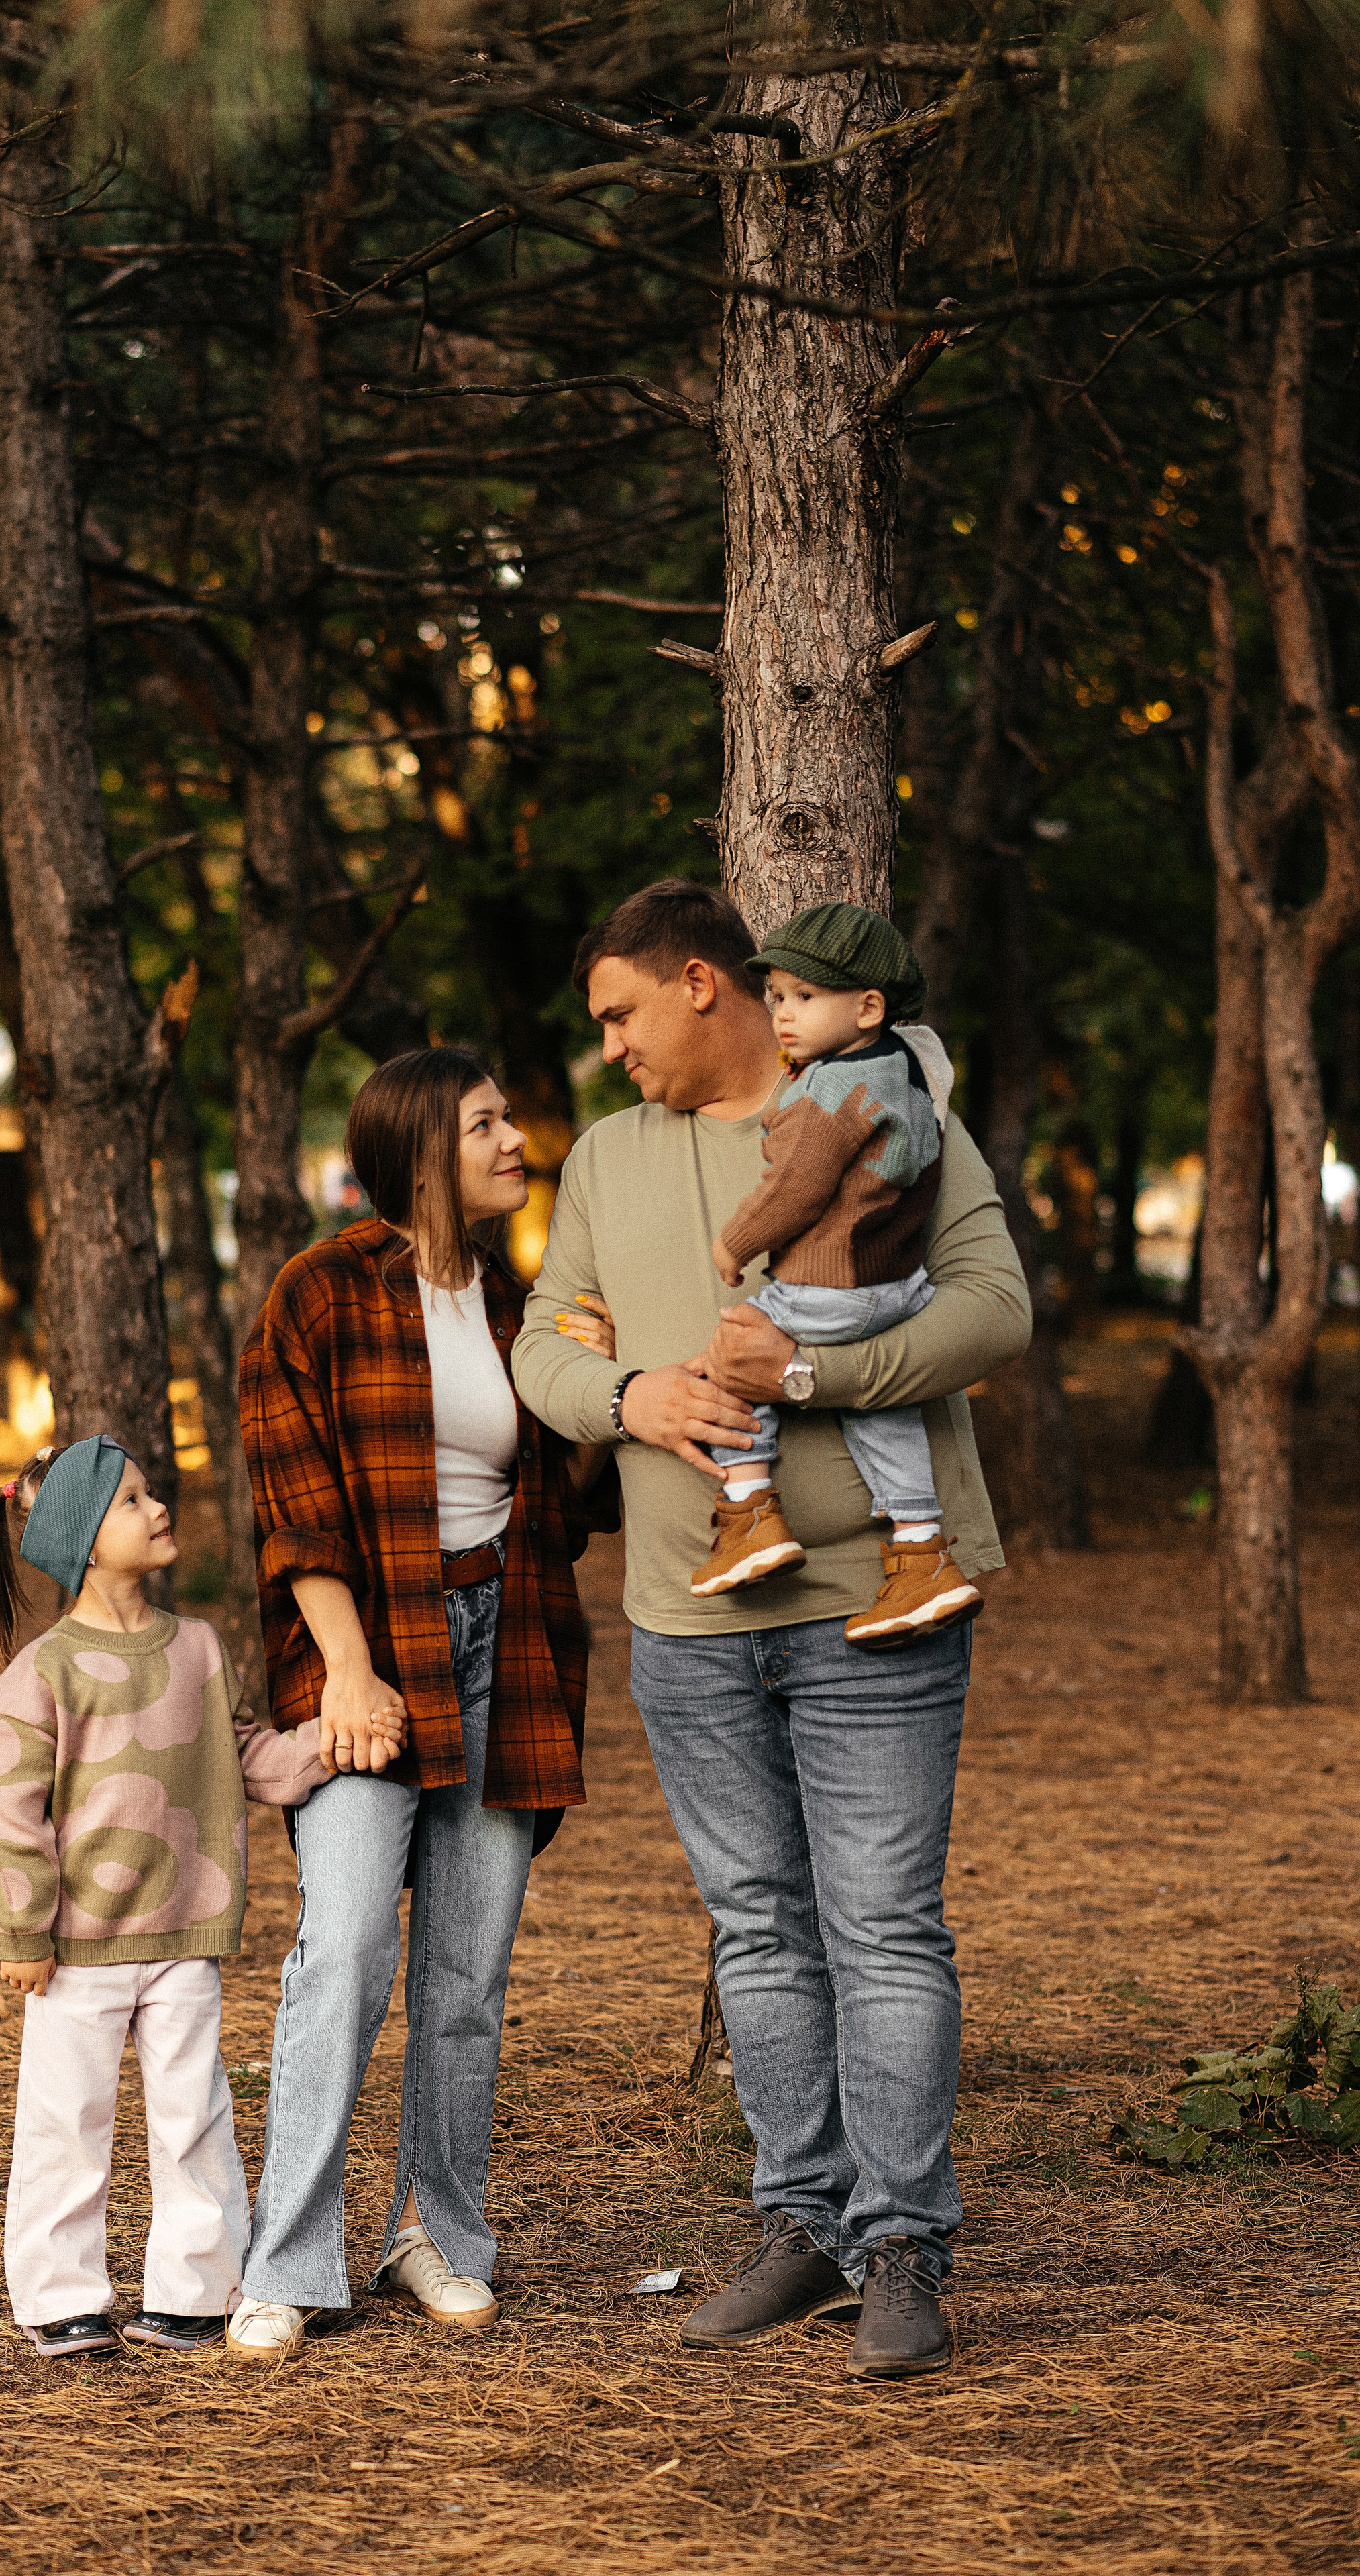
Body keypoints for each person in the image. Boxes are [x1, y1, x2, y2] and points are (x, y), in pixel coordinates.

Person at [511, 879, 1032, 2381]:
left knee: (879, 1930)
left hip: (879, 1597)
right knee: (757, 1930)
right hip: (682, 1615)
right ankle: (799, 2228)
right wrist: (628, 1400)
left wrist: (808, 1387)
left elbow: (992, 1313)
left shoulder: (887, 1105)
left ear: (698, 983)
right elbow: (546, 1336)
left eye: (616, 1013)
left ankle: (899, 2250)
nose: (604, 1044)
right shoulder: (606, 1158)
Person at [229, 1048, 613, 2364]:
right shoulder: (319, 1292)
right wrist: (343, 1670)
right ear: (417, 1155)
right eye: (487, 1125)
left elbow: (566, 1513)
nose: (516, 1142)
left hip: (505, 1648)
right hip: (365, 1647)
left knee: (465, 1981)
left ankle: (433, 2235)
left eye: (510, 1121)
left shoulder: (523, 1305)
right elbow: (293, 1493)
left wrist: (594, 1402)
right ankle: (285, 2260)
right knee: (342, 1953)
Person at [0, 1434, 339, 2360]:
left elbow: (247, 1748)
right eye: (133, 1500)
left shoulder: (199, 1650)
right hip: (77, 1948)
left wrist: (321, 1750)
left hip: (185, 1933)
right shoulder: (44, 1674)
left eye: (150, 1492)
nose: (158, 1507)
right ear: (87, 1542)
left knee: (194, 2112)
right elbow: (10, 1812)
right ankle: (60, 2297)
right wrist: (24, 1929)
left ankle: (195, 2286)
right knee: (67, 2118)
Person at [690, 903, 981, 1648]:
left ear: (868, 1007)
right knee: (876, 1410)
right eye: (778, 997)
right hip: (895, 1285)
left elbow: (797, 1188)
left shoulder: (832, 1091)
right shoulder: (912, 1068)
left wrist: (737, 1242)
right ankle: (923, 1553)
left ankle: (749, 1514)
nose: (783, 1015)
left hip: (830, 1282)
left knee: (732, 1363)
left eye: (805, 998)